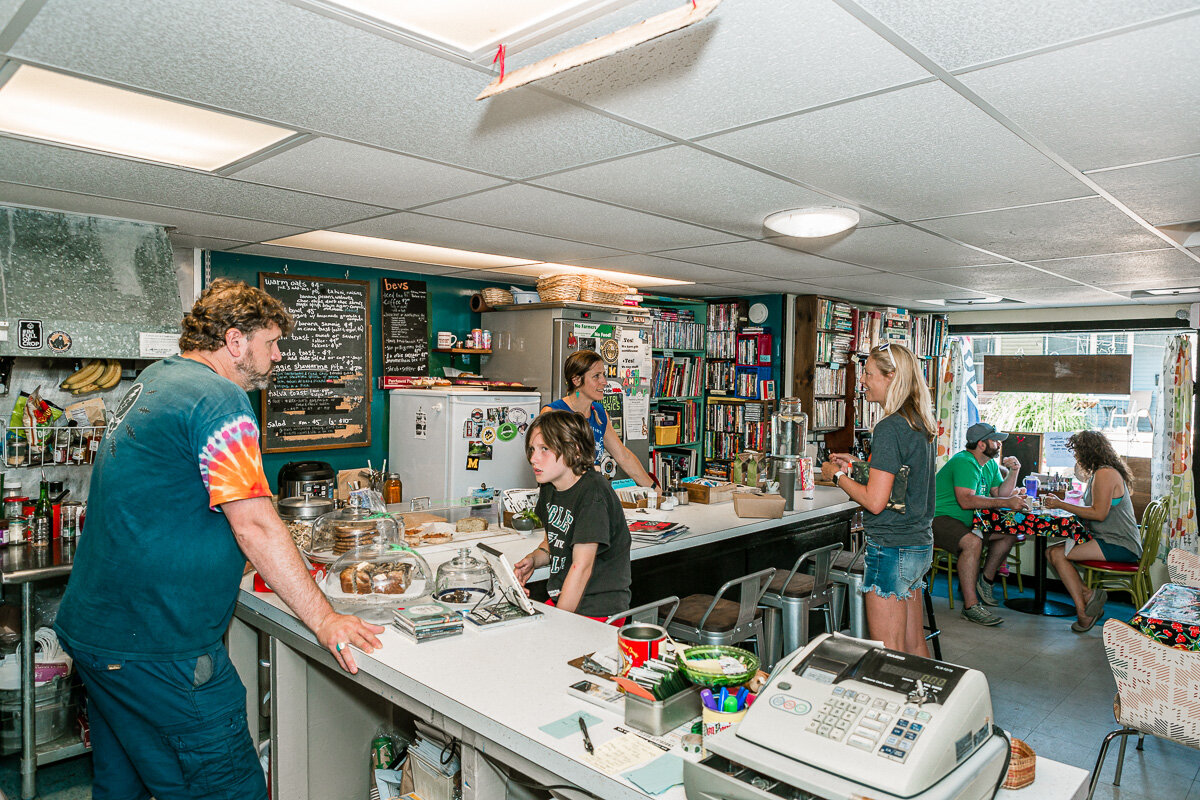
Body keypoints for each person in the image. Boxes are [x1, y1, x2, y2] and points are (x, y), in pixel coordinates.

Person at [55, 279, 384, 800]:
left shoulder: (158, 379)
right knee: (228, 789)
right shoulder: (219, 400)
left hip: (101, 635)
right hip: (162, 648)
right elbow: (252, 522)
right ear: (235, 342)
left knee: (124, 788)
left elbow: (171, 501)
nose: (278, 356)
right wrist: (325, 618)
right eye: (271, 343)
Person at [821, 343, 936, 656]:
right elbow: (902, 485)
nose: (862, 381)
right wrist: (860, 468)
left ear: (891, 377)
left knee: (888, 651)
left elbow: (875, 501)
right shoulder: (918, 422)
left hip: (891, 547)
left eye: (869, 374)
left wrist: (837, 475)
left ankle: (894, 704)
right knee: (913, 644)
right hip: (917, 544)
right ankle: (923, 704)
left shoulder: (889, 428)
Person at [512, 410, 632, 620]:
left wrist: (558, 623)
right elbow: (554, 543)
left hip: (597, 610)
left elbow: (581, 566)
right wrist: (533, 560)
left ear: (574, 450)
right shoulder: (550, 487)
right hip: (565, 598)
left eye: (544, 449)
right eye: (532, 449)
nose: (533, 458)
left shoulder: (593, 493)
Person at [1042, 430, 1142, 633]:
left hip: (1120, 543)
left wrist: (1062, 504)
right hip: (1109, 539)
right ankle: (1086, 597)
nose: (1077, 458)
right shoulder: (1102, 472)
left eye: (1077, 453)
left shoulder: (1105, 474)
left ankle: (1084, 609)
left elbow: (1098, 514)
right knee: (1052, 552)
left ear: (1086, 453)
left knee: (1057, 554)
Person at [933, 422, 1030, 627]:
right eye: (994, 440)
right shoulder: (964, 462)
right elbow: (966, 500)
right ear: (981, 444)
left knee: (1010, 532)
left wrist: (1014, 472)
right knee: (972, 543)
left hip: (968, 522)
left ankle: (984, 581)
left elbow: (999, 494)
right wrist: (1006, 503)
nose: (999, 443)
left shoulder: (989, 464)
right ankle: (971, 607)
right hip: (939, 518)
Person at [543, 349, 655, 487]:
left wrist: (654, 488)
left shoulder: (599, 413)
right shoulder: (553, 412)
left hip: (591, 493)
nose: (604, 382)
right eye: (596, 376)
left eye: (603, 375)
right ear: (576, 380)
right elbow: (546, 463)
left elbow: (623, 456)